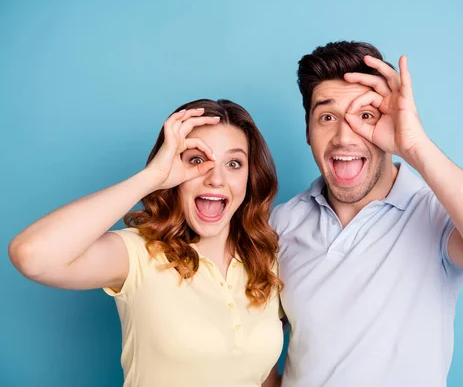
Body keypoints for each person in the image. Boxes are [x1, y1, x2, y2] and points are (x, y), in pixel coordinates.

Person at [270, 41, 463, 387]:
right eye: (327, 117)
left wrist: (415, 146)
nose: (344, 136)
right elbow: (249, 345)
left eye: (365, 116)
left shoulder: (436, 216)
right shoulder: (281, 224)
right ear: (308, 132)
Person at [9, 99, 284, 387]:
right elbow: (31, 255)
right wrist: (153, 177)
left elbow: (263, 377)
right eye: (197, 160)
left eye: (234, 163)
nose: (216, 179)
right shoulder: (139, 253)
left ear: (250, 178)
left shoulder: (265, 260)